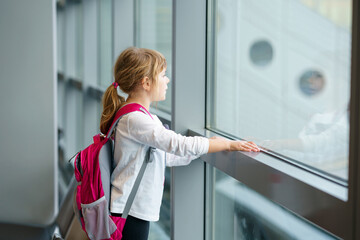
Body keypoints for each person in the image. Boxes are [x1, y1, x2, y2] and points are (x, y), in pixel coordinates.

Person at [100, 47, 260, 240]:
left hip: (132, 209)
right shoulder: (135, 119)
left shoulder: (139, 117)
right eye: (163, 75)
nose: (167, 80)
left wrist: (206, 147)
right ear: (146, 83)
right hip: (129, 212)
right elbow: (177, 144)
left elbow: (166, 156)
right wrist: (226, 145)